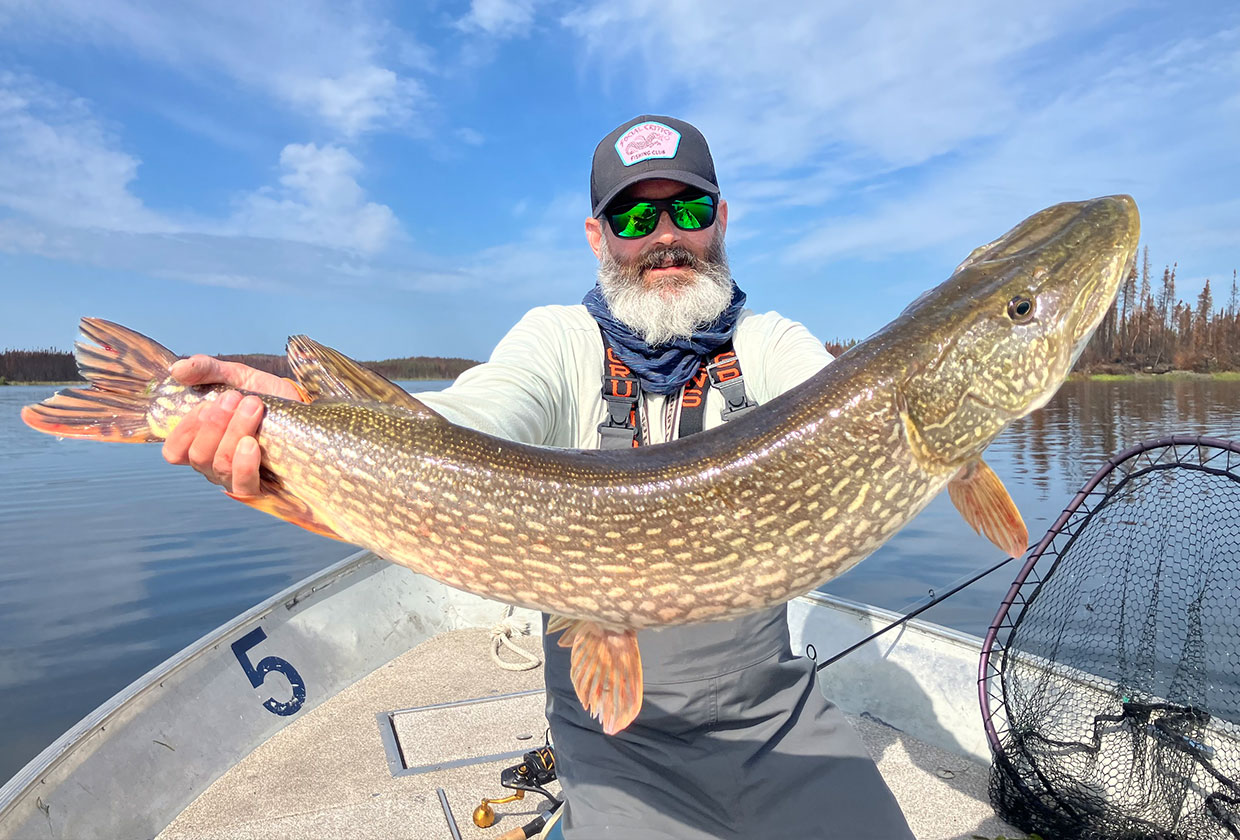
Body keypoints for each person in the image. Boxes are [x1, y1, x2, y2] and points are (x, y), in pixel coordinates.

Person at [163, 115, 915, 840]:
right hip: (621, 745)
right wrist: (297, 428)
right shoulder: (556, 341)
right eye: (632, 220)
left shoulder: (772, 344)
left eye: (687, 209)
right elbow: (467, 424)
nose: (664, 237)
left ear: (720, 220)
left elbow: (855, 410)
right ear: (598, 236)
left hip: (774, 718)